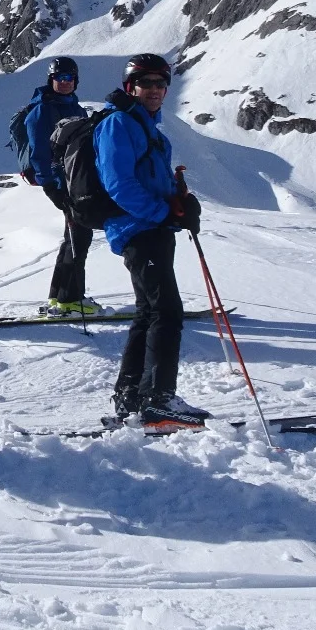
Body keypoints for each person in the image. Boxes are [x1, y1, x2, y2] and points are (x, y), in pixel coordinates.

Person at [95, 53, 205, 429]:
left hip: (151, 228)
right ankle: (158, 401)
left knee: (149, 312)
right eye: (147, 83)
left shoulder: (149, 130)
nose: (155, 90)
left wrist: (180, 201)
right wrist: (165, 214)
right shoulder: (119, 124)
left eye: (161, 84)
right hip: (137, 228)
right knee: (166, 312)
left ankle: (132, 396)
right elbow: (119, 184)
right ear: (131, 87)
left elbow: (149, 182)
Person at [18, 56, 98, 317]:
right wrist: (50, 187)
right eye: (59, 78)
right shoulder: (42, 110)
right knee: (79, 235)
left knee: (73, 236)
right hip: (61, 182)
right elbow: (39, 152)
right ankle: (70, 299)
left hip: (75, 178)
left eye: (69, 78)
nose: (64, 83)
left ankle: (59, 296)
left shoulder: (73, 105)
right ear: (50, 80)